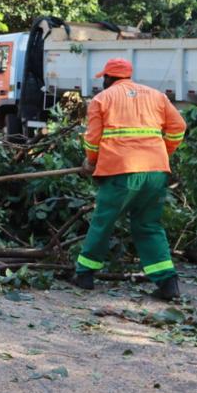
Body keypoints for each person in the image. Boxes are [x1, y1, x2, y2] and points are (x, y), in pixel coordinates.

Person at [75, 58, 187, 301]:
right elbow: (179, 127)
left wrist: (91, 161)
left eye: (103, 78)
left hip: (121, 170)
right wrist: (164, 151)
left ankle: (84, 275)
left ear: (108, 78)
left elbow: (93, 140)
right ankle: (168, 283)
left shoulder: (102, 99)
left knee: (103, 221)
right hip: (156, 171)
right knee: (149, 225)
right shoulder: (157, 96)